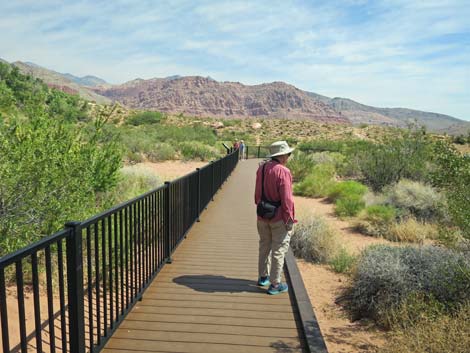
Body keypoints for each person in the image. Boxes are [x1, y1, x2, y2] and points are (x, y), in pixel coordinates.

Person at [254, 141, 296, 295]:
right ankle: (275, 284)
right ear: (282, 155)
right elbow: (287, 199)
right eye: (288, 154)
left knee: (264, 246)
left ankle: (263, 277)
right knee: (278, 250)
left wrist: (260, 207)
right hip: (278, 217)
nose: (288, 156)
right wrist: (289, 218)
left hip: (262, 214)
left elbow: (257, 194)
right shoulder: (283, 171)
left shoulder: (262, 168)